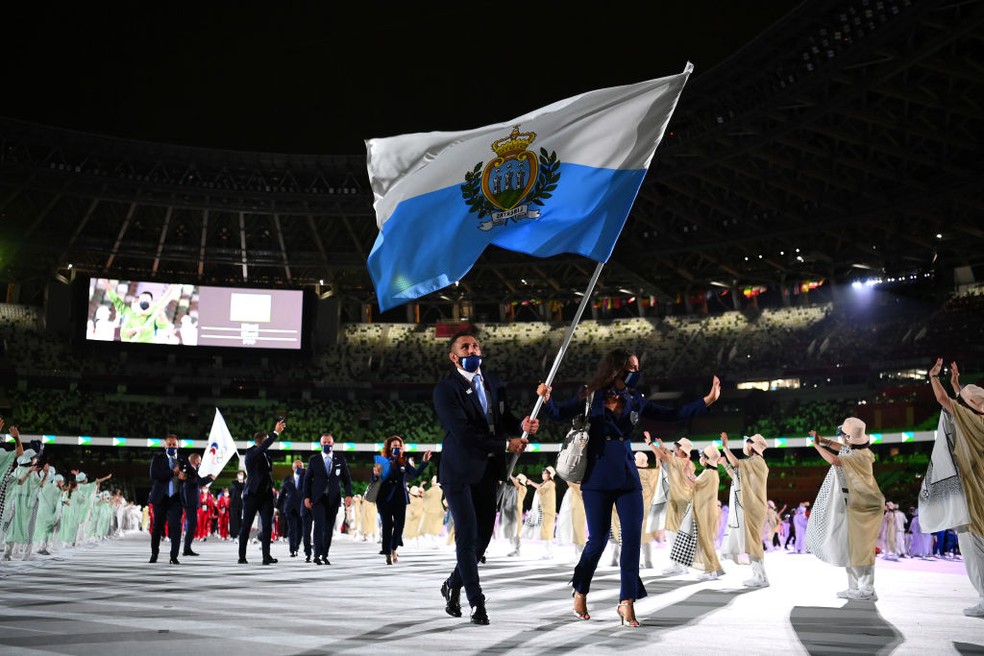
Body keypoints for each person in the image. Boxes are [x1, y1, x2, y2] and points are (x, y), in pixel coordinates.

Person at [538, 348, 720, 627]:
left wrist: (706, 401)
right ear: (617, 369)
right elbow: (559, 413)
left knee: (632, 541)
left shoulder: (636, 399)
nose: (638, 373)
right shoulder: (590, 395)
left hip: (627, 477)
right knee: (597, 541)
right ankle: (580, 588)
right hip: (596, 478)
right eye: (633, 368)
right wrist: (546, 399)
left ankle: (627, 602)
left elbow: (673, 414)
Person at [433, 329, 536, 626]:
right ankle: (477, 602)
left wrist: (522, 425)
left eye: (476, 345)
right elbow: (464, 432)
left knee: (482, 538)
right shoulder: (445, 390)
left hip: (489, 471)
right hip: (459, 471)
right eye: (465, 347)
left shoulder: (493, 383)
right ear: (454, 357)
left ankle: (453, 584)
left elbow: (504, 419)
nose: (472, 350)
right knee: (466, 535)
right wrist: (505, 444)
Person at [927, 359, 984, 616]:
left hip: (973, 493)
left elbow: (943, 400)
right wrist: (957, 385)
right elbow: (964, 403)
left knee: (973, 550)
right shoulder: (977, 417)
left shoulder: (968, 419)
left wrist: (934, 378)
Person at [806, 418, 885, 601]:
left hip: (864, 506)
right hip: (860, 505)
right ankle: (855, 588)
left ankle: (866, 590)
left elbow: (834, 459)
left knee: (860, 550)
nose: (840, 438)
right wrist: (823, 441)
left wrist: (817, 446)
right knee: (852, 549)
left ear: (848, 438)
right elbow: (840, 448)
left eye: (843, 435)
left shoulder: (856, 456)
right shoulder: (861, 451)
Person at [720, 432, 771, 587]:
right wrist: (724, 463)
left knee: (753, 542)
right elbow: (736, 476)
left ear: (753, 445)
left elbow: (736, 464)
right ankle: (758, 575)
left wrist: (725, 448)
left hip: (753, 507)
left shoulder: (757, 461)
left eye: (748, 443)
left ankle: (761, 577)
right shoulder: (753, 462)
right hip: (752, 507)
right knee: (752, 542)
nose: (746, 446)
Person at [371, 435, 431, 564]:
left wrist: (424, 462)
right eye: (394, 446)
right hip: (384, 498)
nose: (397, 448)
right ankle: (387, 552)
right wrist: (376, 475)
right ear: (389, 448)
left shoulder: (404, 461)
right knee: (387, 525)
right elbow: (374, 480)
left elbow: (414, 474)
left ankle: (393, 548)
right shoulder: (381, 461)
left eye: (399, 446)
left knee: (400, 526)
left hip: (399, 498)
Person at [645, 434, 697, 575]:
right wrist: (663, 447)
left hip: (677, 501)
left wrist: (650, 444)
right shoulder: (688, 462)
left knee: (673, 532)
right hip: (682, 500)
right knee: (677, 533)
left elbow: (665, 458)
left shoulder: (681, 462)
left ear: (682, 451)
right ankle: (681, 564)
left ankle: (678, 565)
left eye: (676, 448)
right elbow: (668, 456)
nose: (674, 449)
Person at [238, 418, 286, 565]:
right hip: (252, 495)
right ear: (260, 441)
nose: (268, 444)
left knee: (267, 527)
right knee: (246, 526)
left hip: (265, 497)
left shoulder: (267, 456)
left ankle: (266, 556)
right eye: (266, 441)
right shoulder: (251, 453)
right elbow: (262, 447)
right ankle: (242, 556)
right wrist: (275, 433)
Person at [303, 433, 353, 566]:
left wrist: (349, 495)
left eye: (329, 442)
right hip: (317, 499)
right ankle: (317, 554)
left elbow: (347, 480)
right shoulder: (314, 460)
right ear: (321, 444)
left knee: (329, 528)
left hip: (333, 499)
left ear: (333, 443)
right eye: (324, 443)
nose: (327, 445)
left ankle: (325, 554)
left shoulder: (340, 460)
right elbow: (307, 480)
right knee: (318, 526)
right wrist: (306, 497)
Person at [148, 435, 188, 564]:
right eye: (169, 444)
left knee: (176, 528)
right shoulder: (158, 459)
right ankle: (154, 554)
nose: (171, 447)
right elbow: (154, 475)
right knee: (157, 527)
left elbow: (192, 475)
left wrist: (185, 476)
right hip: (161, 498)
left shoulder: (182, 460)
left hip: (176, 498)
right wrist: (172, 472)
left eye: (174, 444)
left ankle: (174, 556)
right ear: (165, 446)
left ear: (178, 445)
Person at [99, 279, 179, 343]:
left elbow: (164, 300)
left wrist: (172, 288)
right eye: (135, 301)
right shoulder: (127, 311)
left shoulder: (153, 311)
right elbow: (114, 298)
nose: (136, 302)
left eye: (147, 299)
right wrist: (136, 329)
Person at [180, 453, 214, 557]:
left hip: (191, 501)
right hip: (189, 501)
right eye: (199, 460)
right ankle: (186, 549)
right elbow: (197, 482)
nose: (200, 462)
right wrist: (210, 478)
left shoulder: (192, 470)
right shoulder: (189, 469)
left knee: (192, 525)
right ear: (195, 460)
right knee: (192, 524)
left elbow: (198, 481)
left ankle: (187, 548)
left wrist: (209, 478)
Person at [635, 450, 660, 569]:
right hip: (648, 509)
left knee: (634, 538)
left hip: (633, 509)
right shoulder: (650, 473)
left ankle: (637, 561)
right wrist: (658, 459)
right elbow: (660, 474)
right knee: (646, 537)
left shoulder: (631, 472)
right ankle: (648, 561)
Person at [526, 465, 558, 559]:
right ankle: (547, 552)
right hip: (545, 511)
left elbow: (540, 489)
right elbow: (540, 486)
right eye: (543, 473)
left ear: (550, 475)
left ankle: (549, 552)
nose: (543, 475)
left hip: (547, 511)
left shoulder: (550, 484)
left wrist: (531, 483)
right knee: (545, 531)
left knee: (547, 532)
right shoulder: (546, 483)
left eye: (545, 473)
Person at [277, 459, 306, 558]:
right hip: (290, 507)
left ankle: (297, 546)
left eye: (300, 467)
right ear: (293, 468)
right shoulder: (287, 479)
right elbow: (282, 494)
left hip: (302, 507)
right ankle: (292, 549)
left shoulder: (307, 478)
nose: (298, 468)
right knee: (292, 528)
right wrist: (276, 507)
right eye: (297, 466)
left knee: (300, 529)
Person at [499, 473, 528, 557]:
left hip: (516, 513)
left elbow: (517, 485)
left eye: (518, 479)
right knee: (511, 531)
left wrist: (510, 475)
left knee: (516, 532)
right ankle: (514, 549)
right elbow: (504, 487)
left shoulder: (523, 488)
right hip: (509, 512)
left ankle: (517, 549)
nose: (516, 479)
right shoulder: (513, 489)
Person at [229, 470, 246, 540]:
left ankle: (239, 533)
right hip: (234, 504)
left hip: (242, 504)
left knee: (240, 519)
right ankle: (233, 535)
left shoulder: (245, 484)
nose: (240, 475)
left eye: (242, 474)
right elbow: (232, 491)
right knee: (233, 519)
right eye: (239, 474)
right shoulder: (234, 483)